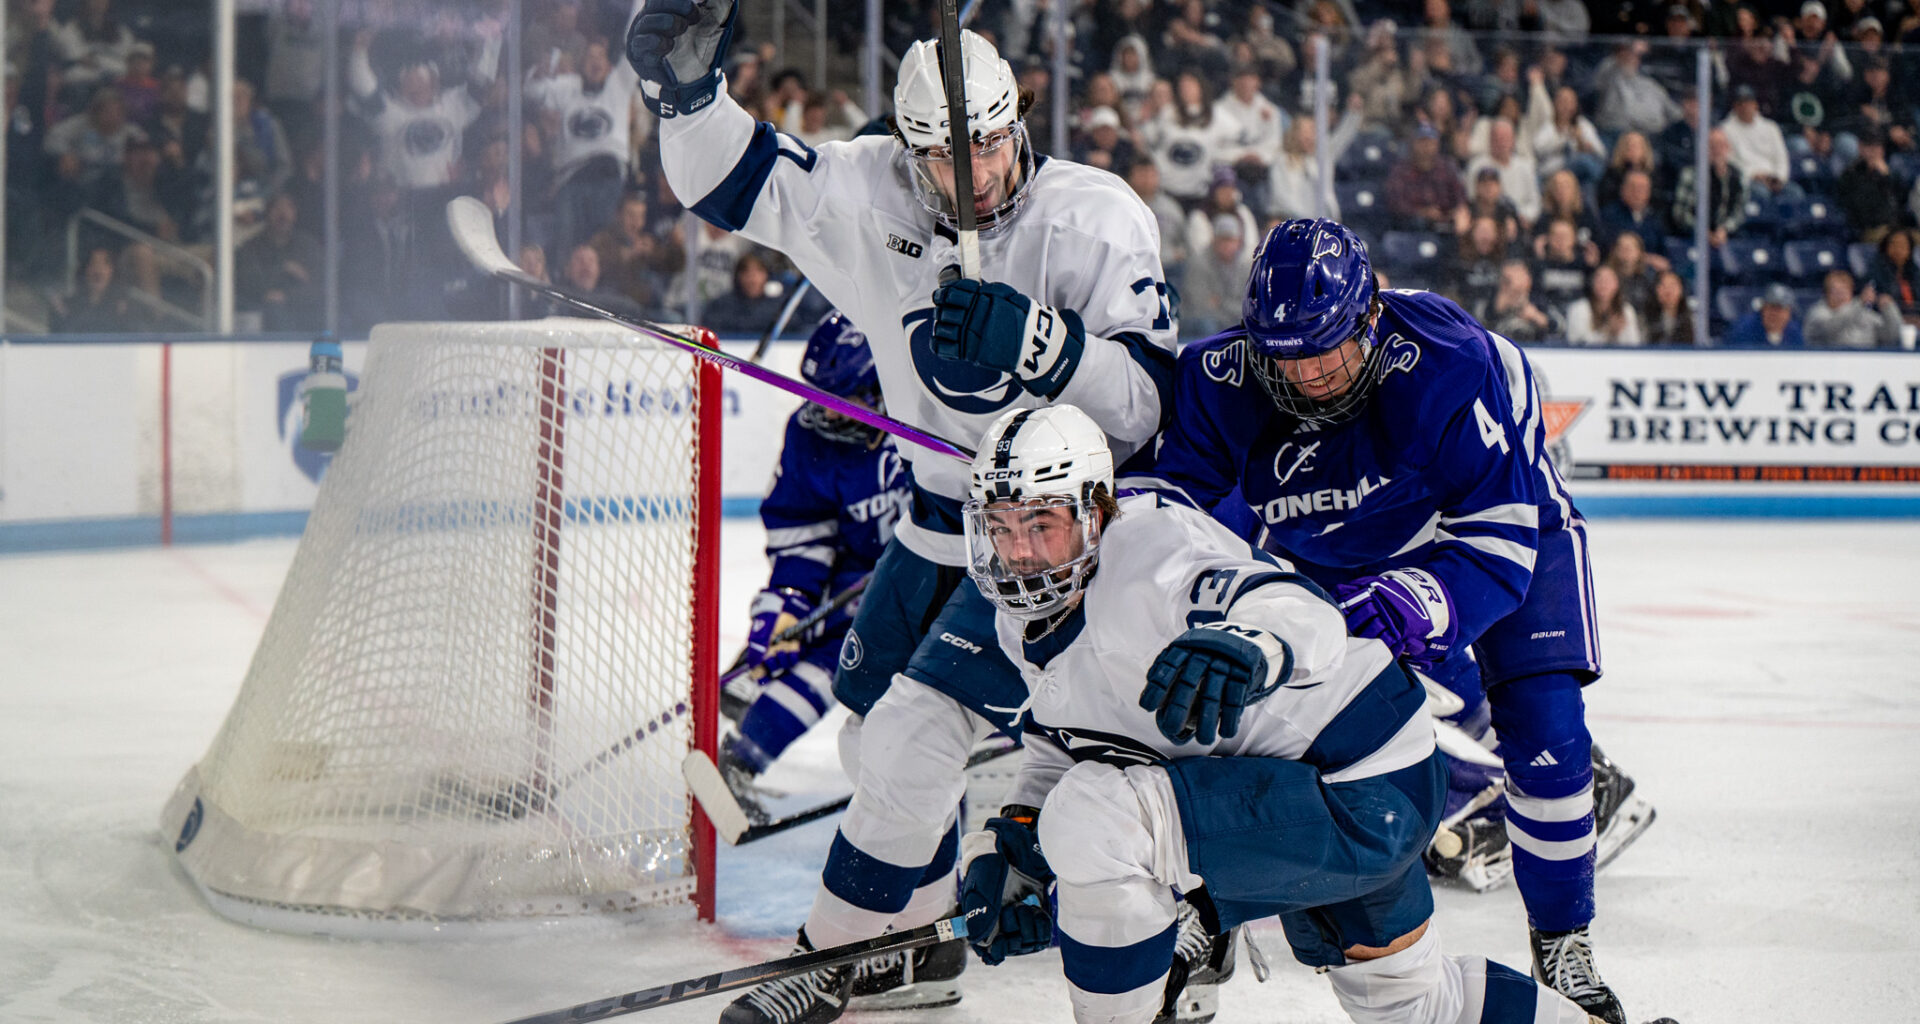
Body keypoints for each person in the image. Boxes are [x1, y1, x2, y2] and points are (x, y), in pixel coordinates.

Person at [624, 12, 1176, 1021]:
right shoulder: (871, 184)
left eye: (990, 148)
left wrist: (1046, 345)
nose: (970, 178)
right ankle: (913, 950)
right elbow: (731, 180)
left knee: (921, 734)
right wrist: (688, 99)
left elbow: (1145, 408)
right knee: (871, 722)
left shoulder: (1097, 219)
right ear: (906, 145)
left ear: (1022, 122)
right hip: (929, 526)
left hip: (1047, 538)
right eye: (941, 159)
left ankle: (832, 955)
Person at [952, 404, 1649, 1024]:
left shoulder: (1153, 551)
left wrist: (1248, 646)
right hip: (1347, 777)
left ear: (1096, 513)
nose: (1018, 552)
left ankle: (1182, 930)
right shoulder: (1024, 616)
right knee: (1413, 1004)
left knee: (1094, 817)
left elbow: (1302, 612)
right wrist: (1006, 845)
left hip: (1357, 784)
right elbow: (1064, 737)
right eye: (1001, 526)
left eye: (1041, 524)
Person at [1143, 220, 1656, 1024]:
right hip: (1339, 552)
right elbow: (1176, 519)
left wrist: (1423, 599)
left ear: (1371, 316)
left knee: (1546, 734)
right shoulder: (1220, 380)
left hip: (1500, 526)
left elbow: (1501, 539)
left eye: (1328, 350)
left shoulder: (1452, 365)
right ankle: (1214, 912)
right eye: (1288, 355)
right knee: (1248, 718)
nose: (1310, 375)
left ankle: (1563, 941)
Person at [718, 312, 912, 810]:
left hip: (931, 575)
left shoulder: (924, 414)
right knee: (826, 656)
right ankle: (740, 759)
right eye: (820, 396)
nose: (826, 413)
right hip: (854, 577)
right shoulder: (810, 436)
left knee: (855, 660)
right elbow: (802, 540)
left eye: (840, 399)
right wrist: (785, 608)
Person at [1726, 282, 1806, 347]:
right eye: (1771, 308)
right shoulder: (1745, 329)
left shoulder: (1794, 332)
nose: (1774, 314)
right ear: (1763, 309)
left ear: (1789, 312)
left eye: (1779, 309)